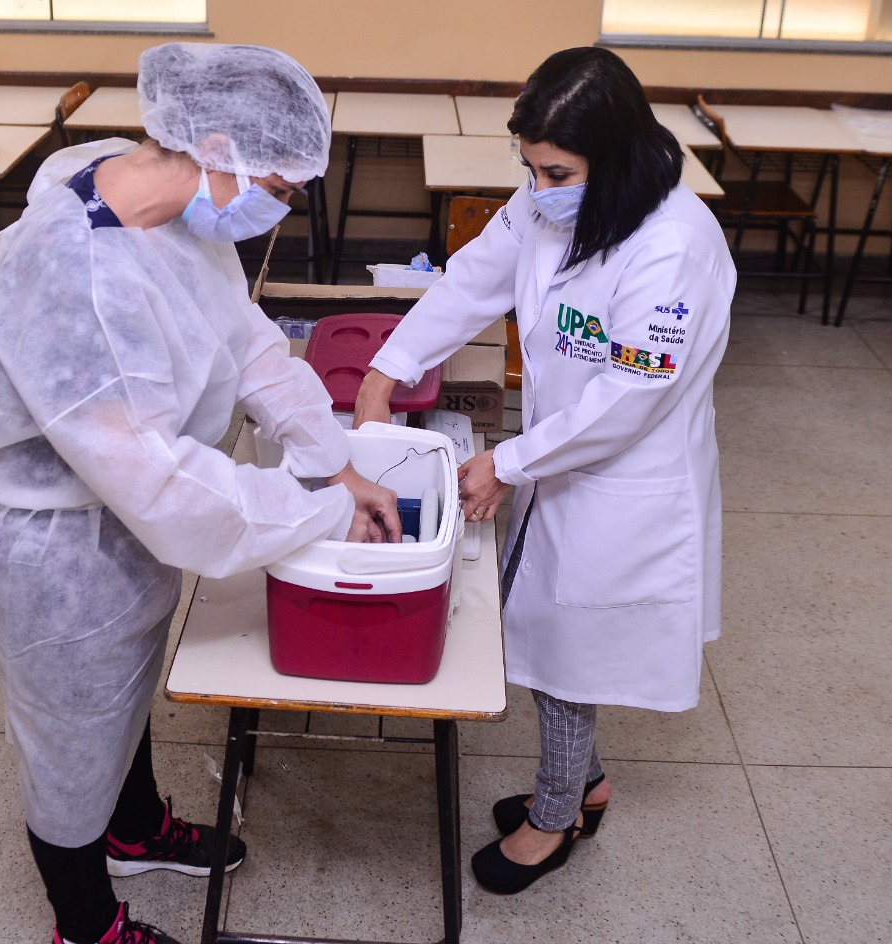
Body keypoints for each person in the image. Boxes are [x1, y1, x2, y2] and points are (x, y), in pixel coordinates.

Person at [0, 43, 401, 944]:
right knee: (71, 732)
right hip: (52, 541)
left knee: (126, 685)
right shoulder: (78, 277)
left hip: (117, 518)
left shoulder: (144, 188)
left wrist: (332, 456)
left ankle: (136, 824)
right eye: (276, 183)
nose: (279, 204)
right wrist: (320, 509)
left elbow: (246, 340)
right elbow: (168, 487)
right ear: (216, 144)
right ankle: (87, 921)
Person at [353, 46, 736, 895]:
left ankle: (555, 819)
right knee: (545, 626)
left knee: (567, 653)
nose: (539, 186)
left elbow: (630, 396)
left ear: (618, 154)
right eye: (528, 167)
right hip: (563, 451)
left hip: (623, 477)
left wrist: (509, 461)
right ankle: (585, 783)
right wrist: (390, 365)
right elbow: (472, 281)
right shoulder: (558, 200)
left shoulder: (672, 246)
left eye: (556, 170)